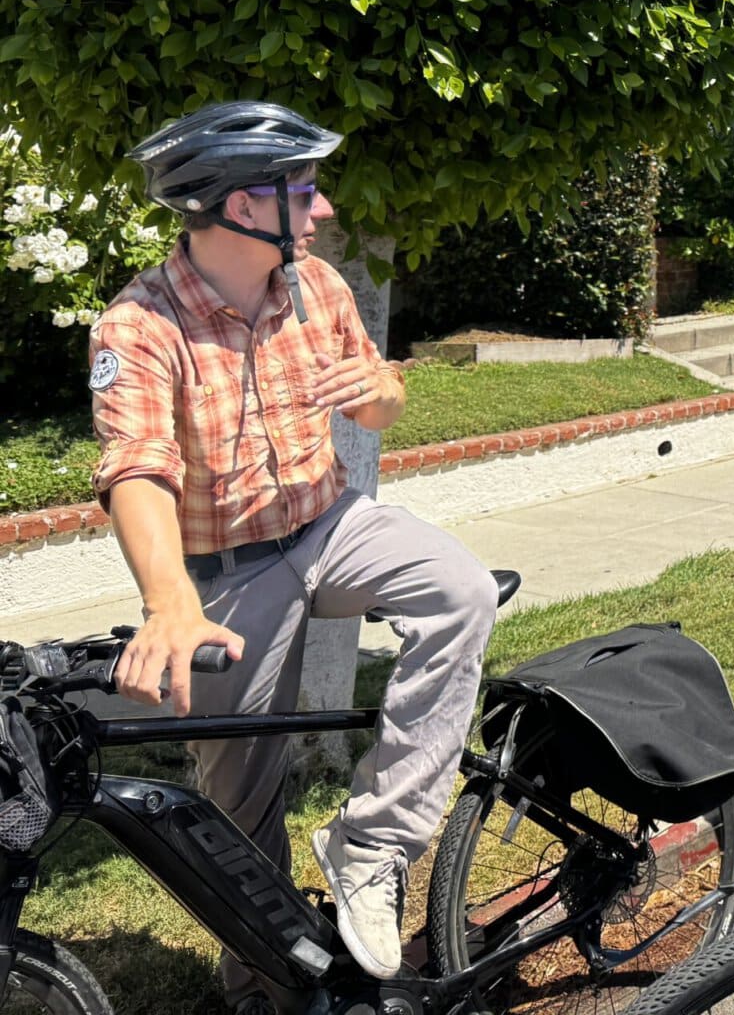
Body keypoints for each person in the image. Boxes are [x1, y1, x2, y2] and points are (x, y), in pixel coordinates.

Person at [89, 102, 500, 1006]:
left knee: (462, 590)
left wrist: (383, 390)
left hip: (329, 522)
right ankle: (263, 987)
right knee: (239, 812)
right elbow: (138, 468)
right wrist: (169, 602)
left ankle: (375, 843)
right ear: (241, 206)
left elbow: (377, 401)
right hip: (227, 568)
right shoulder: (140, 326)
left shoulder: (318, 287)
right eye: (304, 192)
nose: (320, 212)